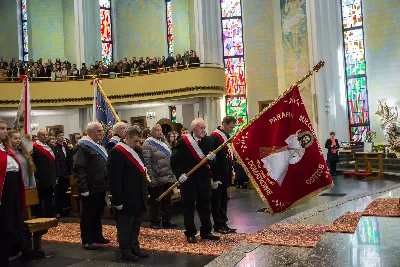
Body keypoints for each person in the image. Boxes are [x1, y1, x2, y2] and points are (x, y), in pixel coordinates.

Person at [170, 118, 220, 243]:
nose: (203, 130)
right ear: (193, 129)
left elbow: (213, 164)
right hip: (189, 181)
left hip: (204, 180)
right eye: (201, 128)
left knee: (205, 208)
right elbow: (174, 161)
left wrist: (215, 178)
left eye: (204, 127)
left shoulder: (209, 140)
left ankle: (206, 231)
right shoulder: (183, 142)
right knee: (188, 210)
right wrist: (179, 175)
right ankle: (190, 233)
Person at [107, 126, 149, 261]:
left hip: (138, 194)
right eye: (135, 141)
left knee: (136, 224)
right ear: (127, 137)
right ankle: (125, 250)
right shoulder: (117, 152)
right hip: (125, 196)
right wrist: (117, 200)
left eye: (139, 141)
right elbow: (114, 179)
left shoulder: (137, 150)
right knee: (125, 225)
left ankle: (134, 247)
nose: (138, 144)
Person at [73, 122, 110, 250]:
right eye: (99, 131)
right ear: (90, 132)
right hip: (89, 187)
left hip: (100, 186)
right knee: (88, 215)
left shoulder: (96, 146)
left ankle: (97, 236)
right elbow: (79, 169)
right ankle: (87, 240)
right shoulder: (83, 147)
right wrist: (83, 188)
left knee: (97, 213)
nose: (101, 133)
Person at [0, 120, 26, 267]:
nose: (5, 131)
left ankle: (10, 254)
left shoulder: (6, 149)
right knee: (4, 227)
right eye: (2, 128)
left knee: (11, 227)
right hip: (4, 195)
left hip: (13, 192)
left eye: (5, 128)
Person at [142, 124, 177, 229]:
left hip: (167, 176)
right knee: (155, 201)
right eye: (157, 130)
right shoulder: (147, 145)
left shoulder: (164, 142)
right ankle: (155, 221)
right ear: (151, 132)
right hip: (156, 178)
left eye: (160, 130)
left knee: (167, 201)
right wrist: (151, 179)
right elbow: (147, 164)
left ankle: (167, 220)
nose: (160, 132)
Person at [210, 116, 237, 234]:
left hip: (225, 173)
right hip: (218, 175)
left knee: (224, 200)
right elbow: (214, 159)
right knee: (217, 201)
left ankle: (223, 223)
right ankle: (217, 224)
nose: (231, 130)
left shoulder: (225, 136)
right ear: (223, 124)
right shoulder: (214, 137)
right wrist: (215, 178)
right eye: (230, 127)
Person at [32, 129, 58, 218]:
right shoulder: (34, 147)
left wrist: (56, 174)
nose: (45, 137)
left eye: (46, 135)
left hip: (51, 177)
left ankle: (50, 215)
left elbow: (55, 161)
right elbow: (33, 163)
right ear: (38, 136)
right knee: (40, 199)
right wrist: (35, 176)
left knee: (49, 198)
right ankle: (39, 216)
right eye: (43, 135)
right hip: (41, 177)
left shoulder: (51, 146)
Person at [54, 132, 72, 219]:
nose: (62, 137)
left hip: (67, 173)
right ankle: (58, 211)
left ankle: (66, 209)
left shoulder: (65, 146)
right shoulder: (55, 147)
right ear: (56, 137)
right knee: (59, 193)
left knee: (65, 193)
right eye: (59, 136)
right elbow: (56, 161)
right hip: (60, 173)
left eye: (62, 135)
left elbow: (69, 159)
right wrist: (58, 173)